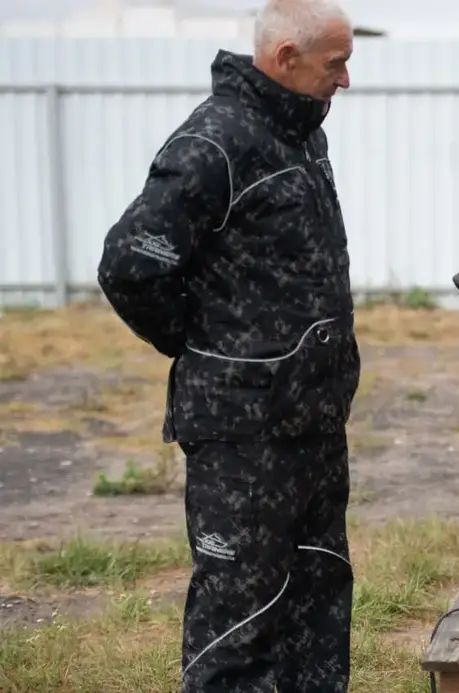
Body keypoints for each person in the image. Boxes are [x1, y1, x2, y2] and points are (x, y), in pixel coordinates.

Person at [95, 0, 359, 690]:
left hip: (311, 417)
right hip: (242, 429)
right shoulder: (214, 144)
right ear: (285, 60)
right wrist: (201, 342)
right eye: (337, 64)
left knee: (317, 589)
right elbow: (131, 262)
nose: (347, 79)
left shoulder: (300, 134)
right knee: (239, 615)